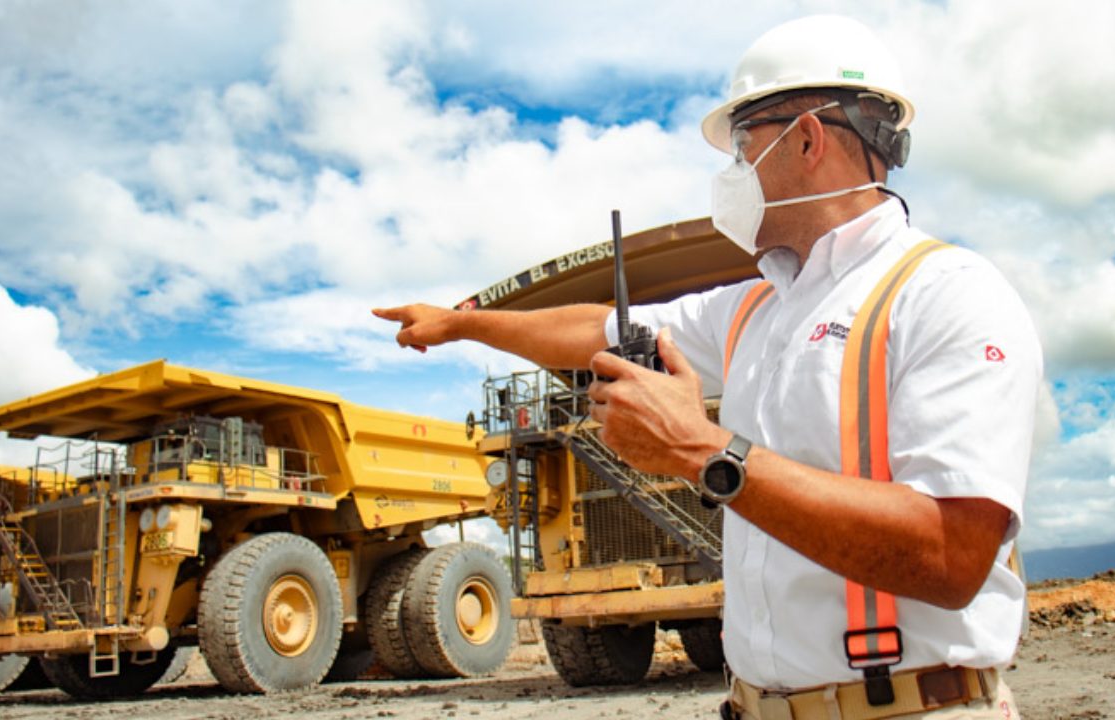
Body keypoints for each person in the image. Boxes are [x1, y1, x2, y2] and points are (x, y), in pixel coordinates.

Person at [375, 14, 1041, 720]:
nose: (733, 174)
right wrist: (461, 324)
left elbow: (951, 556)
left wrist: (702, 451)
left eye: (742, 148)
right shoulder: (756, 308)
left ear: (808, 138)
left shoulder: (947, 294)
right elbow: (595, 328)